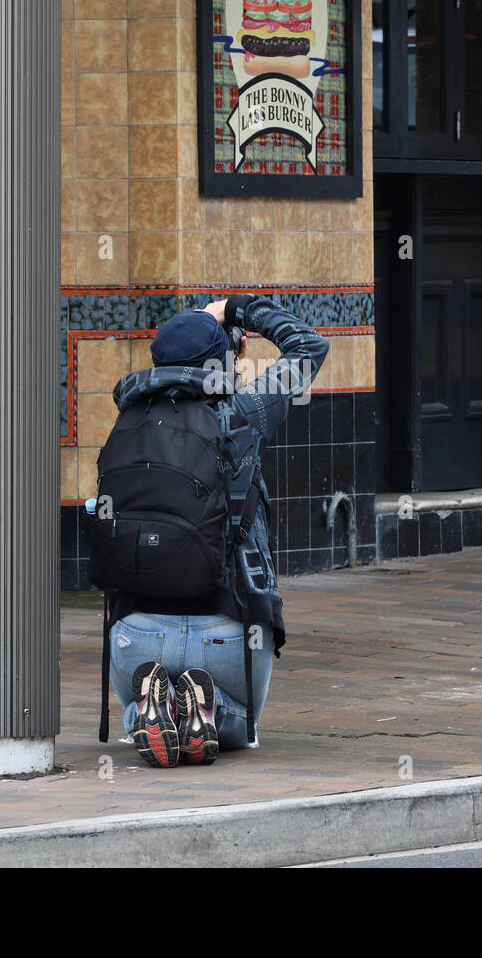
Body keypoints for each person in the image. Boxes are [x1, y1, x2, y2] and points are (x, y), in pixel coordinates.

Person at [100, 294, 328, 767]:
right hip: (229, 630)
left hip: (134, 630)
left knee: (132, 714)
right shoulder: (242, 413)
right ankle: (211, 708)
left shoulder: (128, 419)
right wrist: (234, 310)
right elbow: (308, 346)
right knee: (241, 727)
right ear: (225, 357)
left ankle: (150, 706)